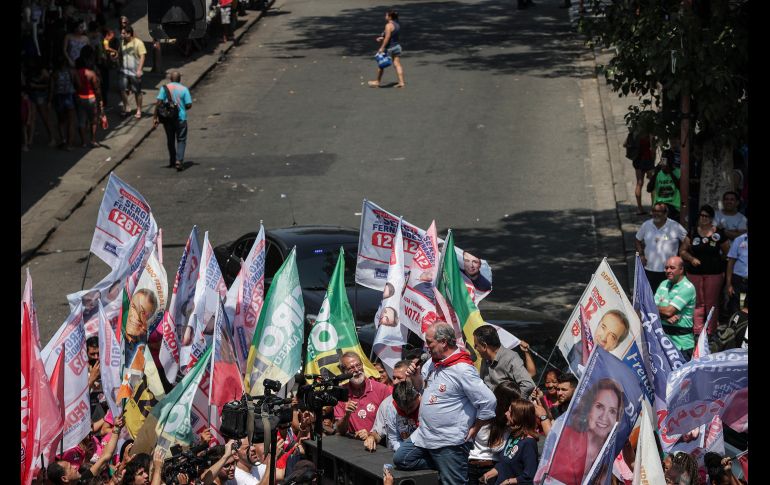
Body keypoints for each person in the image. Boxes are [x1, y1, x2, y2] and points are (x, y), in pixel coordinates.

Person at [393, 322, 497, 484]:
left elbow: (488, 401)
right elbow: (422, 388)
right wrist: (415, 377)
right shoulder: (431, 362)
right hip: (425, 435)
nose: (426, 347)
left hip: (448, 440)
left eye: (429, 342)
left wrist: (476, 428)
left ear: (443, 342)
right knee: (402, 459)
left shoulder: (462, 369)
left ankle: (450, 465)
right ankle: (444, 465)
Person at [548, 378, 623, 485]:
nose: (604, 417)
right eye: (599, 406)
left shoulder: (610, 454)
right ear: (588, 408)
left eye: (612, 411)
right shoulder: (569, 438)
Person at [678, 204, 730, 336]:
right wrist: (691, 259)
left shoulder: (719, 233)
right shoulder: (692, 232)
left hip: (714, 274)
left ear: (711, 218)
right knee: (697, 303)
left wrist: (716, 262)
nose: (703, 218)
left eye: (706, 216)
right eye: (701, 215)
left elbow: (727, 252)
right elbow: (682, 251)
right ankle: (697, 331)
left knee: (711, 303)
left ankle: (711, 332)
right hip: (694, 273)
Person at [47, 415, 126, 484]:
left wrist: (116, 428)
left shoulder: (83, 479)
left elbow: (105, 457)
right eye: (70, 467)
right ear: (64, 479)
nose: (75, 467)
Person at [468, 381, 520, 485]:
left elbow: (496, 448)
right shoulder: (481, 413)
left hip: (492, 469)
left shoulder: (510, 421)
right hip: (470, 465)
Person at [364, 359, 422, 452]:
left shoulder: (425, 400)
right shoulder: (387, 404)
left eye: (399, 378)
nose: (394, 382)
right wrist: (371, 437)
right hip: (398, 453)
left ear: (411, 378)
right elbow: (378, 433)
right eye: (394, 378)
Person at [480, 399, 540, 485]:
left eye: (509, 412)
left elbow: (530, 475)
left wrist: (509, 481)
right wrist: (489, 474)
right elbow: (505, 464)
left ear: (518, 416)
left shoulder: (528, 443)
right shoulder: (513, 436)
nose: (506, 413)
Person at [333, 351, 392, 437]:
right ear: (343, 372)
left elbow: (391, 422)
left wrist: (371, 435)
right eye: (351, 368)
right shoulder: (340, 392)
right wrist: (347, 414)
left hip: (378, 442)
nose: (356, 370)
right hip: (351, 442)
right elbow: (340, 431)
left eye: (358, 365)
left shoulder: (381, 389)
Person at [472, 324, 535, 399]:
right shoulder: (485, 359)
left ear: (484, 346)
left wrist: (514, 403)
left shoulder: (511, 358)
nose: (474, 348)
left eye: (476, 345)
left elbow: (528, 384)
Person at [635, 202, 688, 291]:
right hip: (649, 269)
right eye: (654, 211)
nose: (656, 213)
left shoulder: (674, 226)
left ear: (665, 213)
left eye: (659, 211)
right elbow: (637, 240)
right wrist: (641, 254)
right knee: (650, 295)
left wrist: (681, 253)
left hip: (669, 271)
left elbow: (687, 240)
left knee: (667, 295)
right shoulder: (646, 225)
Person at [655, 256, 696, 359]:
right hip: (663, 342)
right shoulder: (663, 284)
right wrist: (665, 317)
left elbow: (668, 312)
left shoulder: (687, 288)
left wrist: (664, 313)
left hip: (682, 345)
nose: (668, 270)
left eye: (672, 268)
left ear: (681, 269)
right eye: (666, 268)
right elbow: (648, 307)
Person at [153, 70, 193, 171]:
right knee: (181, 140)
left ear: (170, 79)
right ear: (180, 79)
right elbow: (189, 104)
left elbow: (158, 103)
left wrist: (155, 117)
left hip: (168, 119)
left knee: (170, 140)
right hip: (181, 118)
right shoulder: (184, 89)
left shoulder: (164, 88)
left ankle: (172, 160)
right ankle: (179, 160)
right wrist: (182, 107)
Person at [74, 47, 103, 148]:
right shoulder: (91, 73)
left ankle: (83, 142)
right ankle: (93, 140)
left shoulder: (75, 73)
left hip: (79, 98)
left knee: (81, 120)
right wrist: (100, 100)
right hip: (91, 98)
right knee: (93, 120)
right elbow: (96, 88)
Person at [368, 10, 405, 88]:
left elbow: (387, 37)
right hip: (397, 46)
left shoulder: (388, 25)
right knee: (397, 64)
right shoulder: (397, 24)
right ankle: (401, 82)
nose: (385, 16)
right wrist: (382, 38)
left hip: (389, 48)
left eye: (386, 15)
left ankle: (377, 82)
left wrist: (382, 48)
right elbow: (392, 36)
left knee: (381, 64)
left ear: (390, 17)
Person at [624, 125, 656, 215]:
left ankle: (639, 208)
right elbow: (653, 150)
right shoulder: (649, 135)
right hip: (648, 161)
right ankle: (653, 208)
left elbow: (625, 144)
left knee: (639, 183)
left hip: (638, 161)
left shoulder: (634, 134)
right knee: (653, 185)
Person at [50, 55, 79, 151]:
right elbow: (78, 84)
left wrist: (49, 101)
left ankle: (63, 140)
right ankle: (70, 144)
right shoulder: (72, 72)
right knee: (71, 121)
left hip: (59, 97)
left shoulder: (55, 73)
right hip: (69, 96)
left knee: (61, 121)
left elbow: (52, 89)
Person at [119, 26, 146, 119]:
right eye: (121, 33)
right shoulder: (122, 42)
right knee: (122, 89)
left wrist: (139, 69)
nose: (121, 35)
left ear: (129, 34)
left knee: (137, 91)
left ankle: (139, 109)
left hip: (135, 72)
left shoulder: (138, 43)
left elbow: (142, 56)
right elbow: (120, 54)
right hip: (124, 71)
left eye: (123, 33)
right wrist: (118, 63)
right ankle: (127, 107)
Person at [648, 150, 682, 222]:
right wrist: (655, 174)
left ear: (672, 162)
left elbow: (680, 187)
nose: (665, 163)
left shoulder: (678, 172)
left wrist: (670, 172)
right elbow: (649, 189)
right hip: (659, 204)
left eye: (667, 160)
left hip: (673, 205)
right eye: (663, 159)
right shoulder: (658, 173)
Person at [725, 227, 748, 316]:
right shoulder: (739, 240)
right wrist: (728, 284)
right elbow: (731, 262)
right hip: (738, 280)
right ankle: (735, 324)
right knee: (735, 307)